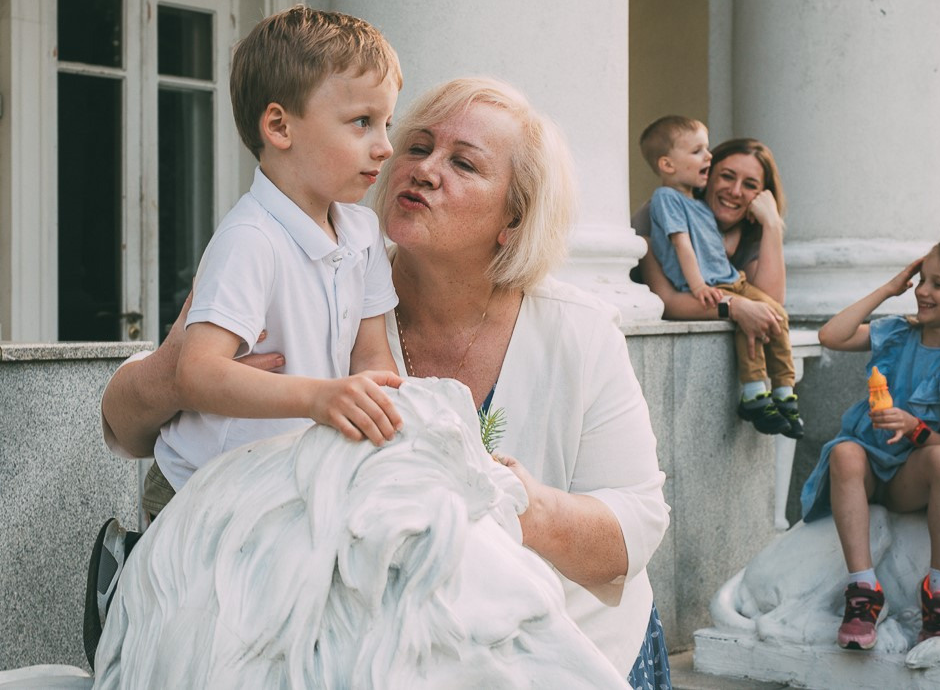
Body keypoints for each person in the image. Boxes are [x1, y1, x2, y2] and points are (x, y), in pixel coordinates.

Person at [98, 77, 671, 685]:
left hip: (562, 648)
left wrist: (505, 502)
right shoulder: (319, 274)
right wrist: (180, 374)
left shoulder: (579, 331)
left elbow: (635, 529)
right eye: (417, 147)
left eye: (463, 163)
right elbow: (123, 426)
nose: (423, 170)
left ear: (514, 218)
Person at [84, 5, 405, 667]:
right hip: (204, 483)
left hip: (286, 481)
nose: (385, 146)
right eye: (361, 123)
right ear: (279, 126)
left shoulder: (363, 233)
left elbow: (372, 356)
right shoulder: (249, 238)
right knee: (202, 647)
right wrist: (319, 397)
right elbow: (196, 371)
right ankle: (129, 591)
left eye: (388, 123)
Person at [799, 238, 940, 651]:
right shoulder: (897, 334)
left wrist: (915, 427)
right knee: (845, 451)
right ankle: (863, 592)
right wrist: (888, 289)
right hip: (862, 470)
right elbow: (831, 335)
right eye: (921, 279)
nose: (922, 290)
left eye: (939, 284)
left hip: (908, 481)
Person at [639, 117, 801, 438]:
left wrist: (771, 225)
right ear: (708, 177)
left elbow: (772, 305)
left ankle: (784, 393)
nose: (735, 191)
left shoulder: (743, 233)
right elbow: (668, 302)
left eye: (751, 185)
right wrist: (734, 307)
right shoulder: (661, 212)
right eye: (727, 177)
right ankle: (755, 394)